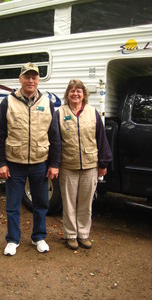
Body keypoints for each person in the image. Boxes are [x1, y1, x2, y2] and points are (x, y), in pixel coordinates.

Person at [0, 62, 61, 256]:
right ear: (20, 79)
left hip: (40, 162)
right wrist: (1, 163)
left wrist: (54, 164)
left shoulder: (47, 103)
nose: (31, 80)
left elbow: (54, 134)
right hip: (14, 164)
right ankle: (12, 240)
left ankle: (38, 237)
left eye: (34, 77)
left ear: (39, 80)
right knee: (12, 205)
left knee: (41, 203)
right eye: (27, 76)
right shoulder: (8, 102)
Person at [56, 79, 112, 250]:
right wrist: (55, 164)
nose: (75, 93)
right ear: (67, 94)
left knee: (85, 204)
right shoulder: (59, 113)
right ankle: (71, 236)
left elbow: (101, 139)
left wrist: (103, 163)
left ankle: (83, 234)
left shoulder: (92, 112)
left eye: (79, 91)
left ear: (84, 94)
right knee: (69, 203)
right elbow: (56, 141)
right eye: (72, 91)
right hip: (68, 165)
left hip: (90, 165)